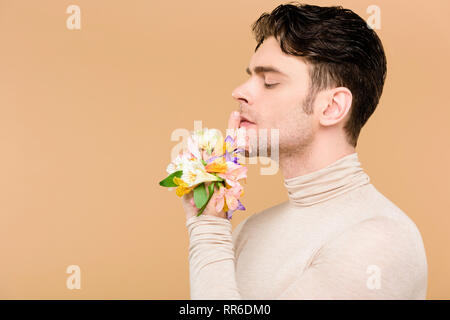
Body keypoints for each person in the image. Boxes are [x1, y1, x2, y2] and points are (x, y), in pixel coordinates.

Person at [181, 2, 427, 299]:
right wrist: (209, 221)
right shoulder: (249, 231)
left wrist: (208, 231)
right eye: (250, 77)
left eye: (270, 82)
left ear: (332, 107)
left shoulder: (382, 240)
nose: (240, 91)